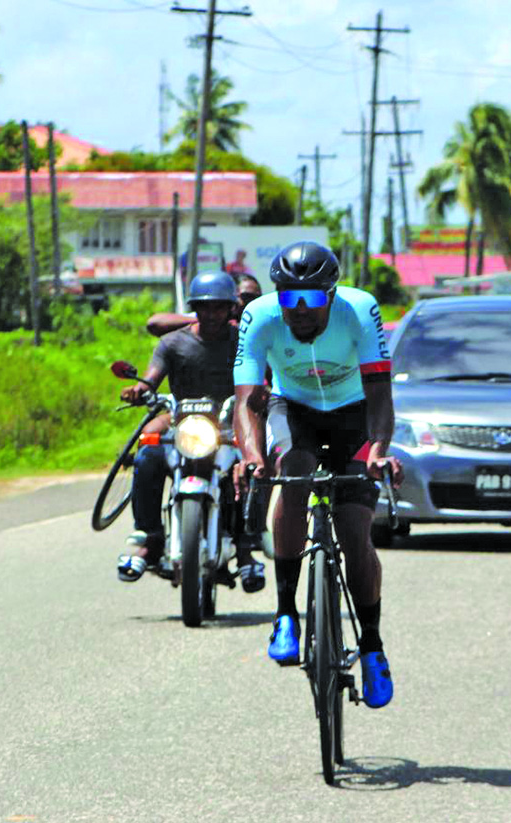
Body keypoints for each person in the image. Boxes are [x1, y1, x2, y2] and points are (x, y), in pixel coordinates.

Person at [231, 240, 403, 709]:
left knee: (353, 534)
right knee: (295, 469)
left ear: (332, 293)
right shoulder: (260, 316)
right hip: (295, 410)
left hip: (355, 415)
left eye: (311, 298)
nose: (300, 310)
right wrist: (251, 457)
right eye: (289, 298)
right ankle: (286, 611)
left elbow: (381, 397)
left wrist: (379, 452)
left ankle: (371, 644)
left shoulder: (360, 308)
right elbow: (248, 401)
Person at [116, 271, 266, 593]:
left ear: (231, 308)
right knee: (147, 456)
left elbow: (263, 376)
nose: (211, 315)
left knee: (252, 467)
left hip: (230, 423)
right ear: (193, 308)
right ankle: (151, 537)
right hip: (183, 421)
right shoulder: (173, 342)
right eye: (204, 307)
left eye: (219, 308)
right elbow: (152, 379)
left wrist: (264, 394)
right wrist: (139, 390)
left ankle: (245, 546)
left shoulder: (244, 339)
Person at [146, 272, 260, 337]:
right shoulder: (207, 317)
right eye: (246, 296)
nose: (251, 302)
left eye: (256, 298)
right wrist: (211, 322)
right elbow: (155, 323)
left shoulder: (260, 322)